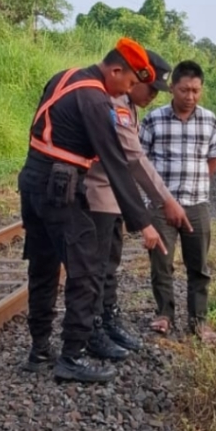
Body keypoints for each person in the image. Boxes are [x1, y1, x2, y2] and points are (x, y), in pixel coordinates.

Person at [17, 37, 167, 383]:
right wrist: (143, 223)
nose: (128, 90)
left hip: (32, 180)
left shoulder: (63, 76)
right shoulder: (97, 100)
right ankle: (72, 356)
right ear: (115, 70)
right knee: (85, 271)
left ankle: (39, 351)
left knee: (42, 267)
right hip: (61, 188)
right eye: (129, 82)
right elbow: (116, 164)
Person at [83, 49, 192, 360]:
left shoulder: (129, 104)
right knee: (98, 267)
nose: (154, 96)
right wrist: (166, 200)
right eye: (152, 88)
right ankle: (94, 330)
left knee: (109, 267)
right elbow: (134, 159)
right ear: (135, 77)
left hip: (114, 197)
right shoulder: (115, 103)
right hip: (98, 194)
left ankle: (107, 322)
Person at [139, 59, 216, 343]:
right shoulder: (154, 120)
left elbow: (214, 158)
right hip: (162, 205)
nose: (190, 97)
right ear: (172, 88)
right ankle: (164, 314)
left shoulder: (210, 120)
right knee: (161, 263)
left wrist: (196, 185)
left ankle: (198, 320)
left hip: (197, 203)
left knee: (198, 265)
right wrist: (153, 201)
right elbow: (140, 162)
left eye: (196, 91)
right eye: (184, 90)